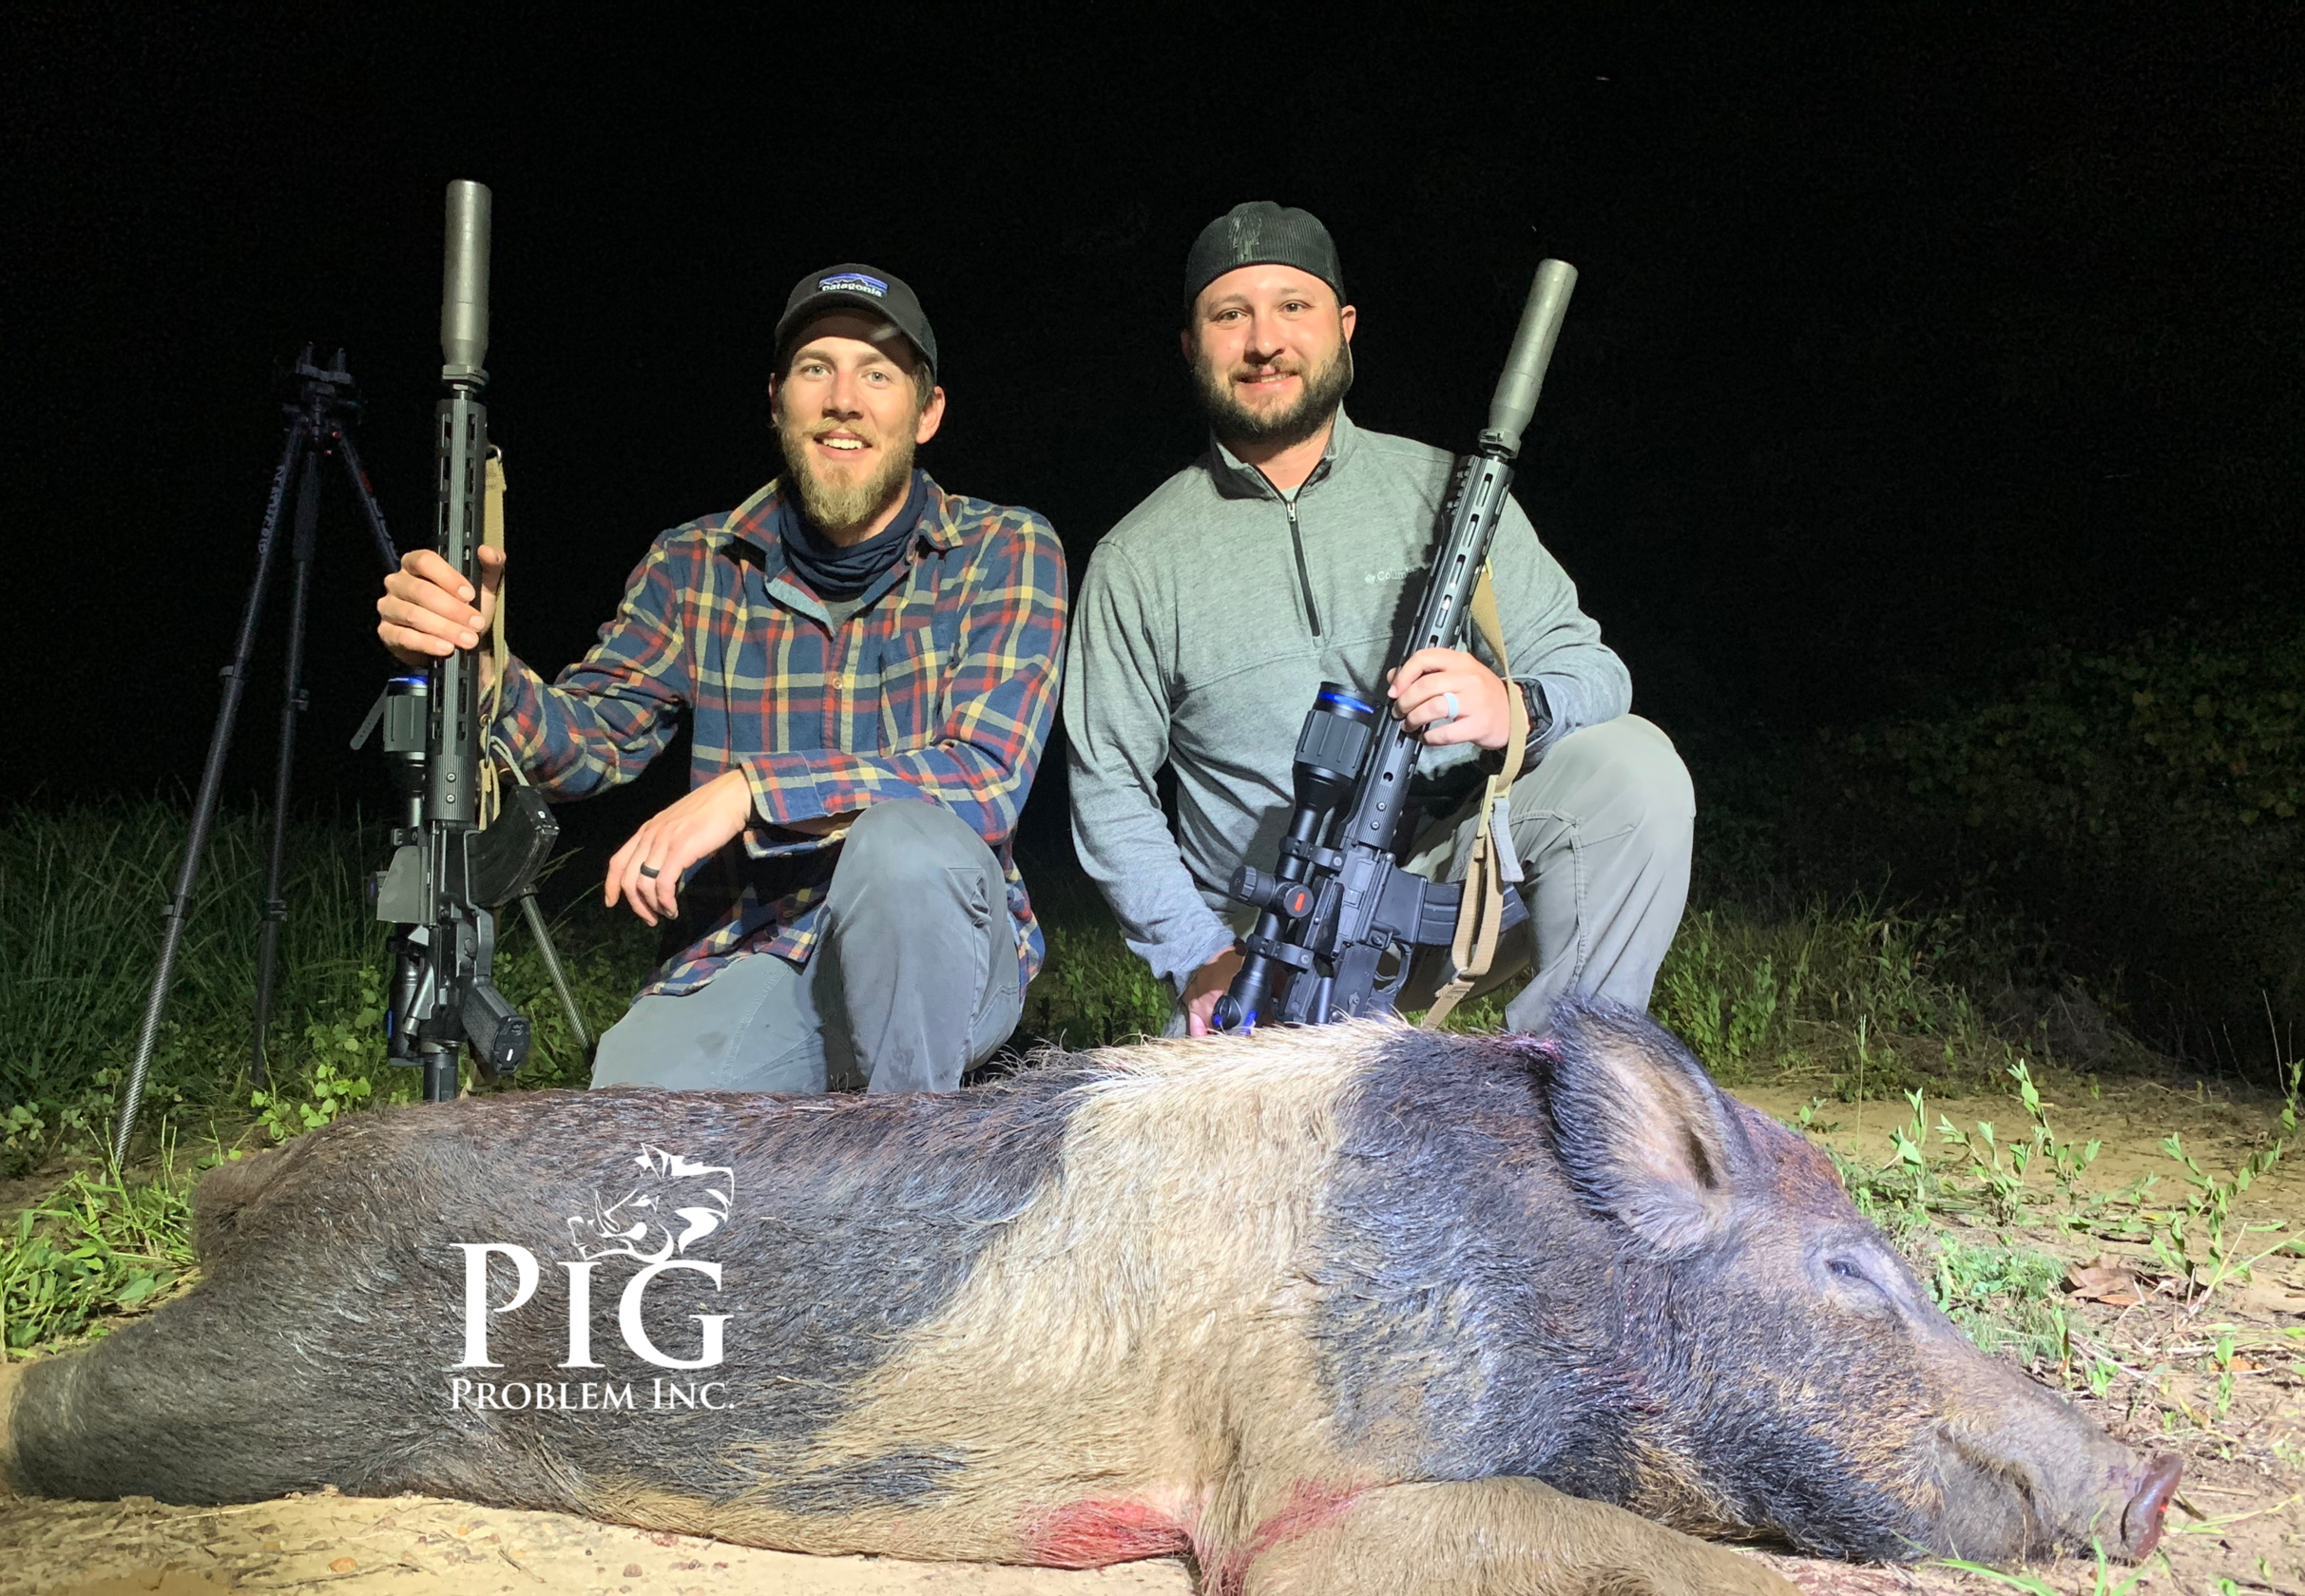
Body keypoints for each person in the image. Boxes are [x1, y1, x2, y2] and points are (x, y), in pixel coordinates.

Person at [377, 265, 1067, 1091]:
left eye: (878, 372)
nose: (844, 398)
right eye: (817, 368)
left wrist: (750, 790)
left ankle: (915, 1175)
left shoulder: (1006, 548)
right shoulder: (693, 563)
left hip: (945, 954)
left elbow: (985, 778)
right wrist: (483, 665)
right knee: (632, 1113)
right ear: (777, 399)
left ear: (927, 413)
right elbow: (588, 742)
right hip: (756, 953)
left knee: (902, 846)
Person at [1067, 202, 1692, 1037]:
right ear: (1190, 345)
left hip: (1452, 891)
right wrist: (1200, 956)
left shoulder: (1452, 491)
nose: (1264, 341)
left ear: (1344, 328)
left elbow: (1595, 671)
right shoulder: (1136, 558)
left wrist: (1513, 706)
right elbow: (1108, 789)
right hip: (1269, 959)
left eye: (1295, 306)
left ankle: (1569, 1086)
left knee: (1633, 766)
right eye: (1230, 314)